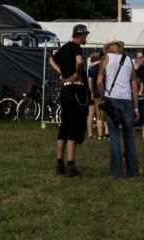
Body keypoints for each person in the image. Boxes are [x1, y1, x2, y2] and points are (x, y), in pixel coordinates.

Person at [48, 24, 90, 176]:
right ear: (81, 35)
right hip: (76, 90)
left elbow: (51, 59)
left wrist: (61, 72)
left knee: (64, 125)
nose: (86, 38)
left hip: (65, 90)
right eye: (86, 35)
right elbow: (79, 62)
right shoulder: (76, 48)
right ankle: (71, 165)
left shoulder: (65, 47)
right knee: (73, 126)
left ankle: (59, 163)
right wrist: (77, 74)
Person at [98, 38, 140, 178]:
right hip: (127, 100)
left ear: (108, 48)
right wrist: (136, 108)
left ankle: (116, 172)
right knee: (129, 136)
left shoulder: (105, 59)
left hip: (112, 99)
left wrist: (103, 97)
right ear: (119, 47)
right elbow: (134, 85)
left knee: (114, 136)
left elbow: (99, 82)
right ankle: (133, 171)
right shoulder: (129, 60)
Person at [86, 49, 107, 140]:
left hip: (93, 91)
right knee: (102, 114)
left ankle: (90, 134)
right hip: (101, 91)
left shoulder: (91, 67)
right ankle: (102, 134)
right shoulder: (103, 66)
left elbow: (89, 81)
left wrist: (91, 91)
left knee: (92, 113)